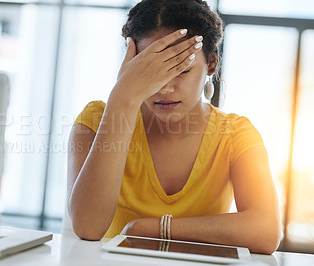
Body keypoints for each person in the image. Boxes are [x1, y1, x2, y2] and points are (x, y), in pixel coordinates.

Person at [66, 0, 281, 254]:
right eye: (151, 71)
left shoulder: (235, 134)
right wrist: (122, 100)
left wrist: (156, 228)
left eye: (182, 70)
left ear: (211, 63)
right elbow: (88, 228)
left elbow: (266, 231)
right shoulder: (96, 120)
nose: (164, 88)